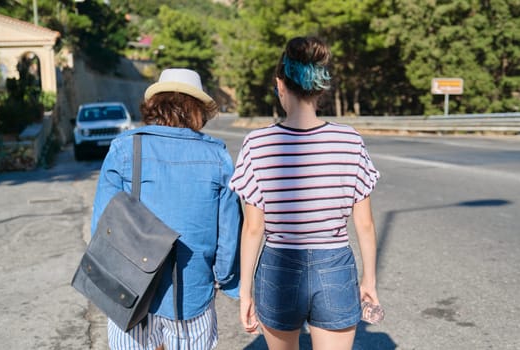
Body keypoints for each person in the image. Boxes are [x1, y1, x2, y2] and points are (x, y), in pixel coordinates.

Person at [229, 36, 381, 350]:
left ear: (280, 85)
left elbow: (253, 228)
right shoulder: (349, 140)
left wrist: (246, 293)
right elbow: (364, 224)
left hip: (278, 265)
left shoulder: (257, 144)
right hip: (335, 265)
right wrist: (370, 280)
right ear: (320, 88)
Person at [91, 68, 242, 350]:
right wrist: (225, 278)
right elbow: (229, 235)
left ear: (155, 105)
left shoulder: (124, 149)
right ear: (197, 110)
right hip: (190, 292)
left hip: (129, 292)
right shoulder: (216, 155)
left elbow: (102, 224)